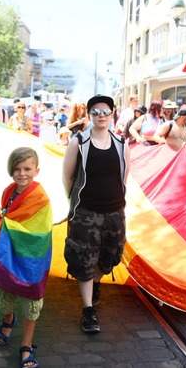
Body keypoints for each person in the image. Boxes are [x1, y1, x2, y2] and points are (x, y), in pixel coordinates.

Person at [0, 147, 52, 368]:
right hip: (9, 252)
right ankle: (9, 319)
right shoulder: (9, 191)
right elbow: (8, 215)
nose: (22, 173)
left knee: (31, 301)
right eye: (17, 169)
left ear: (36, 170)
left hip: (32, 256)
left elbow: (39, 229)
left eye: (27, 169)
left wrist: (5, 223)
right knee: (2, 294)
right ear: (11, 171)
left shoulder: (40, 197)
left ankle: (26, 345)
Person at [62, 94, 130, 334]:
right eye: (96, 111)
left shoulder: (122, 144)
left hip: (114, 213)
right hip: (86, 213)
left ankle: (95, 283)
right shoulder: (78, 142)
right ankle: (88, 310)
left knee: (110, 257)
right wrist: (76, 204)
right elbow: (67, 176)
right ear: (89, 115)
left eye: (105, 111)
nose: (101, 115)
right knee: (83, 258)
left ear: (112, 114)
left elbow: (123, 178)